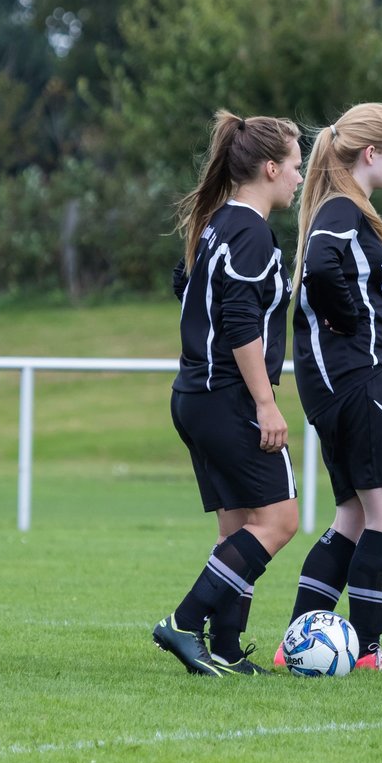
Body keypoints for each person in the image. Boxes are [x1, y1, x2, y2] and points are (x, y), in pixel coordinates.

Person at [152, 110, 304, 676]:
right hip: (228, 397)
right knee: (280, 522)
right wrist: (266, 402)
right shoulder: (249, 230)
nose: (297, 175)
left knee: (240, 528)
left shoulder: (217, 224)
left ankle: (225, 647)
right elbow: (240, 320)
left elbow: (187, 288)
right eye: (293, 165)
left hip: (195, 394)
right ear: (269, 168)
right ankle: (184, 623)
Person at [277, 102, 382, 671]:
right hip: (359, 381)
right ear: (370, 153)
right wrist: (350, 320)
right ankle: (367, 654)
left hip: (339, 384)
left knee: (353, 517)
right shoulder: (342, 210)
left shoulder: (341, 207)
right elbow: (321, 265)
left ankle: (296, 648)